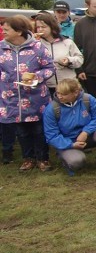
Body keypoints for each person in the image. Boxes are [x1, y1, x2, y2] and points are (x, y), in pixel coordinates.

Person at [0, 15, 55, 171]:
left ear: (18, 31)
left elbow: (50, 68)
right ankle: (28, 158)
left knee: (38, 129)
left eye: (6, 29)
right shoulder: (1, 48)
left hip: (36, 97)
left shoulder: (37, 47)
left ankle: (43, 158)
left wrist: (36, 77)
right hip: (11, 98)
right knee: (21, 131)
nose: (3, 32)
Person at [43, 78, 96, 174]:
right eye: (58, 93)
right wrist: (71, 144)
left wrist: (86, 132)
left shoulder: (88, 99)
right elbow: (51, 135)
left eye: (64, 94)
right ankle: (66, 157)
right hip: (68, 142)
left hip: (87, 137)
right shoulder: (51, 109)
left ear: (75, 93)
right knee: (76, 163)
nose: (60, 97)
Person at [35, 13, 83, 93]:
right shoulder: (37, 45)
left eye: (43, 27)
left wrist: (68, 61)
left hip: (68, 86)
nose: (40, 30)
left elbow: (80, 59)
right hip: (47, 87)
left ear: (52, 27)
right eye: (38, 27)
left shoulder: (67, 42)